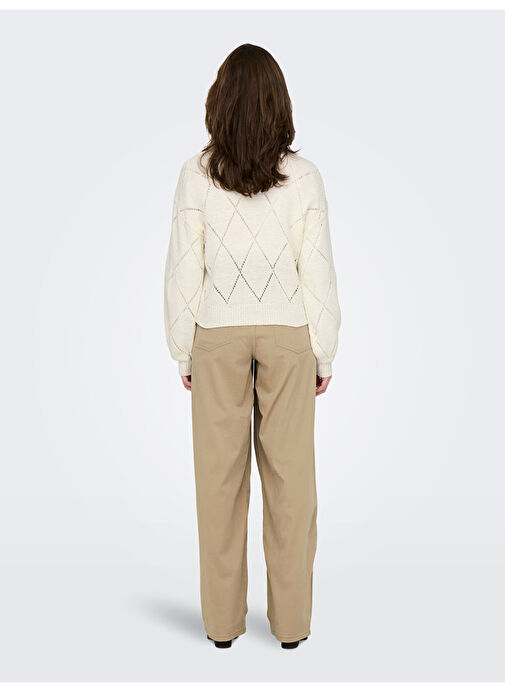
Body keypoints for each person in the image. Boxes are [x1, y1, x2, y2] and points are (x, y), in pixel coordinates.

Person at [163, 43, 341, 650]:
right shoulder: (305, 177)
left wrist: (183, 348)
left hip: (216, 334)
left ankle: (221, 628)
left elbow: (184, 268)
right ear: (278, 105)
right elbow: (317, 271)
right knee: (293, 483)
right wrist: (324, 351)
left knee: (218, 483)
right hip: (289, 335)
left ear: (219, 103)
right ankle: (290, 627)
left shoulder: (195, 174)